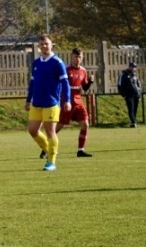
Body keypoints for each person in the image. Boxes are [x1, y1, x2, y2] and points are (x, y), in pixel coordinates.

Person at [25, 34, 71, 171]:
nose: (44, 46)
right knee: (32, 130)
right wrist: (28, 100)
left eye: (46, 44)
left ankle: (51, 162)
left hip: (51, 103)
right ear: (38, 47)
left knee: (50, 131)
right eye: (41, 44)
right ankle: (50, 149)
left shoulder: (57, 63)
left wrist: (67, 100)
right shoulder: (36, 63)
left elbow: (65, 83)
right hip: (36, 102)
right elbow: (33, 82)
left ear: (52, 45)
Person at [57, 47, 94, 157]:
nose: (77, 59)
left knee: (85, 124)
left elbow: (85, 88)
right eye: (75, 57)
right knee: (59, 126)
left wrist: (90, 82)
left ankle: (80, 150)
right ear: (71, 57)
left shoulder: (83, 71)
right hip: (67, 101)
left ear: (82, 58)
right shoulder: (66, 70)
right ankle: (46, 148)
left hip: (78, 102)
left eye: (79, 57)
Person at [117, 61, 142, 127]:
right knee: (131, 108)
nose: (134, 68)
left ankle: (132, 122)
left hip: (136, 94)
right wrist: (123, 94)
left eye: (135, 67)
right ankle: (133, 122)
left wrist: (139, 92)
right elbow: (119, 85)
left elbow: (138, 84)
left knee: (135, 109)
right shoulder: (124, 74)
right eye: (132, 67)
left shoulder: (135, 75)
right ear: (129, 67)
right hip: (129, 95)